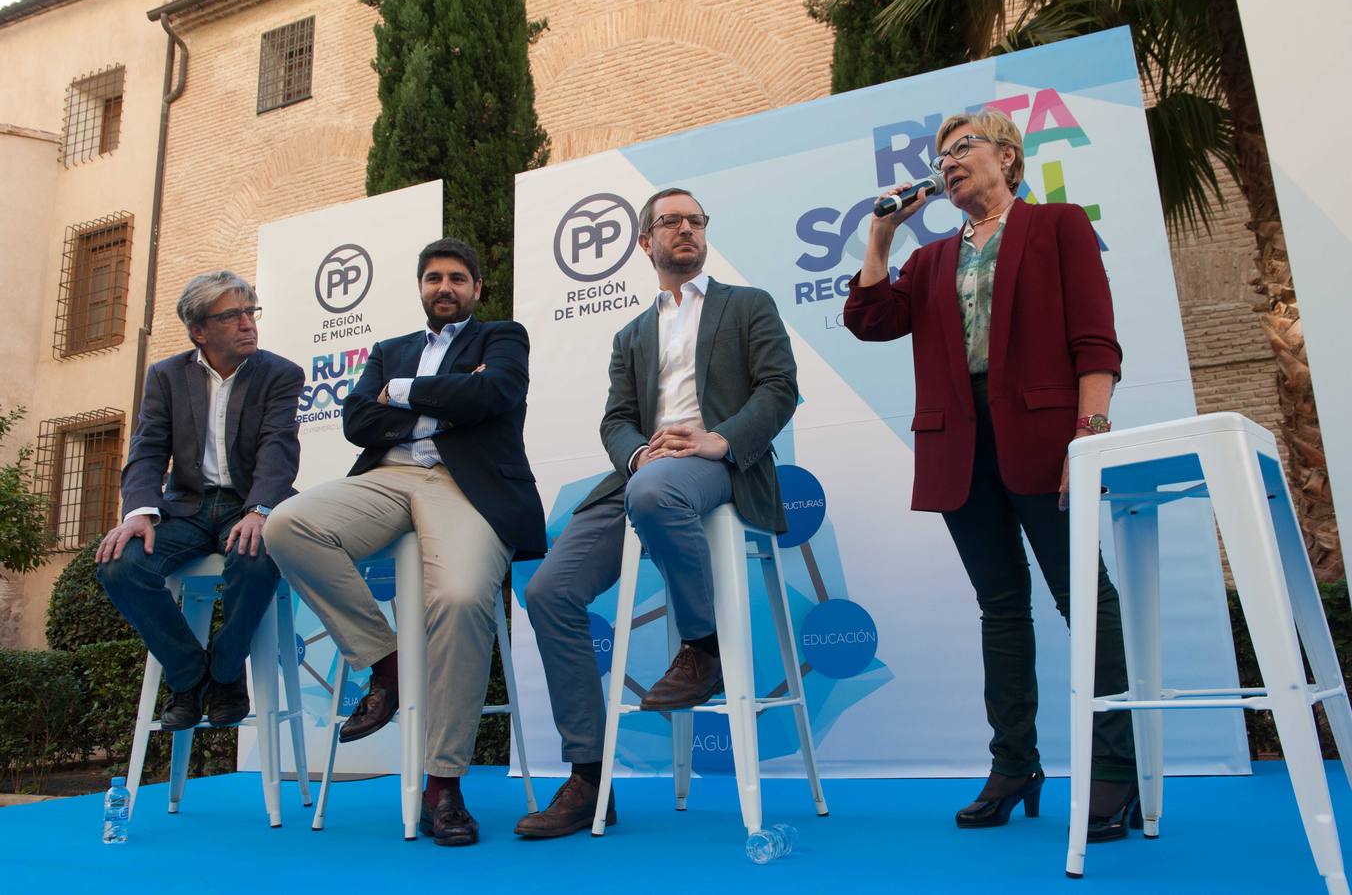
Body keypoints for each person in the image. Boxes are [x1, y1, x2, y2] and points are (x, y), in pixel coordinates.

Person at [844, 109, 1139, 841]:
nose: (947, 163)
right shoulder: (932, 259)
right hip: (959, 444)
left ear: (1008, 157)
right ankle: (1014, 765)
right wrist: (883, 235)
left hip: (1046, 436)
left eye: (961, 148)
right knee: (1001, 609)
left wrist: (1090, 436)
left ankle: (1113, 771)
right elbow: (869, 319)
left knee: (1084, 600)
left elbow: (1096, 339)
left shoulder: (1057, 226)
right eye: (939, 156)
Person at [514, 187, 798, 839]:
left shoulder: (746, 306)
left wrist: (719, 440)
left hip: (719, 464)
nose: (686, 230)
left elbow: (779, 387)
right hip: (644, 473)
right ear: (646, 242)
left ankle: (703, 645)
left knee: (657, 492)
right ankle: (590, 778)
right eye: (670, 222)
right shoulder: (632, 334)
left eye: (695, 220)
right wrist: (639, 453)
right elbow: (615, 419)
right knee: (550, 590)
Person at [264, 236, 546, 847]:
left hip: (464, 486)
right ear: (420, 287)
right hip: (388, 477)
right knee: (285, 525)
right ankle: (388, 665)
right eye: (433, 278)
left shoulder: (503, 337)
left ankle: (442, 785)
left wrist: (403, 391)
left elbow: (494, 394)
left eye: (457, 279)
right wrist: (444, 397)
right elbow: (357, 421)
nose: (444, 288)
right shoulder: (390, 348)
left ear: (476, 288)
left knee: (465, 596)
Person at [96, 271, 302, 731]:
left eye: (251, 312)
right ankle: (189, 675)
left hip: (247, 504)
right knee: (119, 565)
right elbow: (148, 450)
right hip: (186, 507)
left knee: (258, 550)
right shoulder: (166, 376)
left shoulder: (280, 373)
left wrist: (259, 509)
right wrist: (140, 513)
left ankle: (227, 670)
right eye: (232, 316)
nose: (248, 323)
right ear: (199, 330)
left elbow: (278, 448)